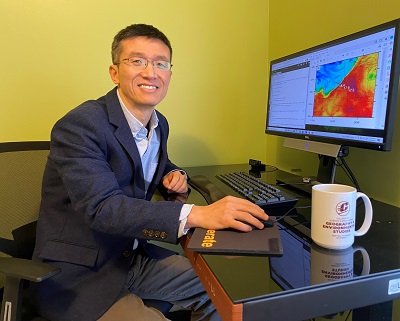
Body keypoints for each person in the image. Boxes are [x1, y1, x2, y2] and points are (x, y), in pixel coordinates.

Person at [32, 23, 268, 321]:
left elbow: (145, 161)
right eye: (137, 61)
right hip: (80, 275)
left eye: (160, 63)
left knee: (225, 292)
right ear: (115, 72)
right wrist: (196, 214)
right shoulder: (81, 125)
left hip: (130, 258)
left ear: (169, 73)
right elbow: (103, 208)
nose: (150, 72)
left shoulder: (159, 124)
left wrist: (174, 174)